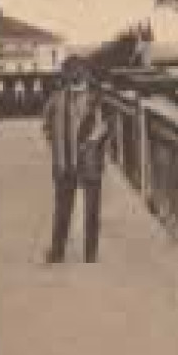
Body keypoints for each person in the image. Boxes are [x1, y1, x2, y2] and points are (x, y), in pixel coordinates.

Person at [41, 56, 111, 264]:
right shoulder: (56, 98)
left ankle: (90, 254)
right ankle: (57, 251)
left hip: (89, 161)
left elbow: (105, 125)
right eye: (70, 73)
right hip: (64, 162)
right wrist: (55, 145)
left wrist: (93, 140)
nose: (74, 77)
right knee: (62, 209)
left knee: (91, 210)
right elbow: (46, 124)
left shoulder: (96, 99)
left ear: (84, 75)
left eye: (77, 73)